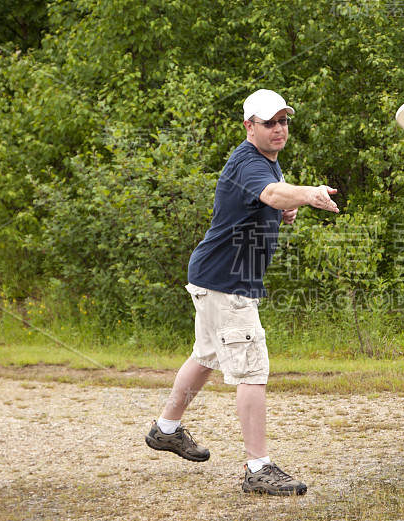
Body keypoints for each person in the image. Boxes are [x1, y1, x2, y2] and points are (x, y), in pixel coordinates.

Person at [145, 89, 339, 496]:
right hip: (226, 285)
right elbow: (269, 192)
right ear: (249, 126)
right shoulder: (249, 160)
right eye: (270, 123)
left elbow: (273, 194)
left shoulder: (268, 159)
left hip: (215, 277)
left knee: (204, 357)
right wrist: (307, 195)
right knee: (252, 370)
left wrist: (288, 207)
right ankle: (257, 468)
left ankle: (166, 429)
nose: (279, 129)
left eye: (284, 121)